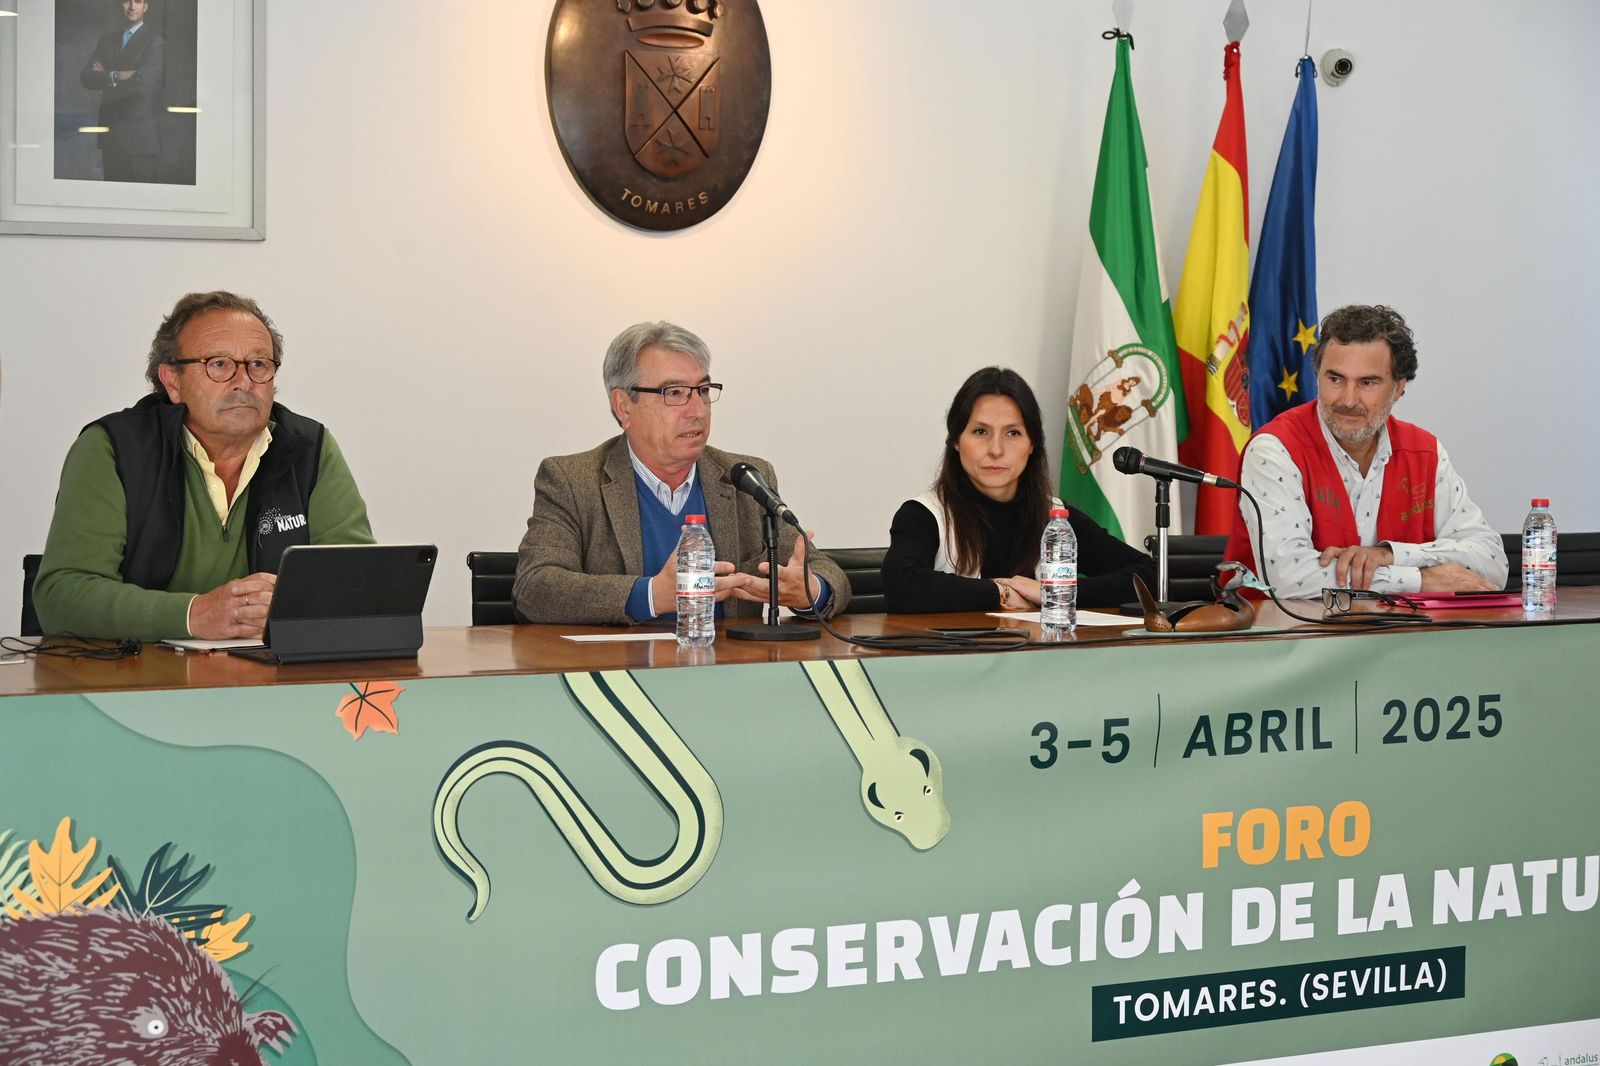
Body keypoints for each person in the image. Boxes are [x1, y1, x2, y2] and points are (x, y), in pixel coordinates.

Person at [34, 292, 373, 640]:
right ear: (172, 381)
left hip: (273, 668)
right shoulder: (113, 449)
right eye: (219, 364)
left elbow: (362, 583)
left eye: (258, 364)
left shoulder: (311, 449)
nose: (244, 382)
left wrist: (290, 610)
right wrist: (194, 615)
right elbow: (61, 596)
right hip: (140, 669)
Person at [514, 321, 850, 625]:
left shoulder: (744, 479)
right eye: (674, 393)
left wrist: (810, 592)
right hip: (619, 667)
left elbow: (827, 575)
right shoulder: (572, 481)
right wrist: (651, 596)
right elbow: (535, 588)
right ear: (623, 406)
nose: (697, 410)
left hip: (729, 667)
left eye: (703, 391)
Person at [1225, 304, 1507, 598]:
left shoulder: (1425, 453)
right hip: (1278, 627)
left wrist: (1389, 554)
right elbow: (1288, 578)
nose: (1348, 400)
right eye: (1335, 379)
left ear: (1399, 388)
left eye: (1367, 383)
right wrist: (1420, 579)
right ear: (1318, 376)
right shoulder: (1274, 450)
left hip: (1398, 627)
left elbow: (1493, 563)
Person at [882, 367, 1154, 613]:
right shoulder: (924, 515)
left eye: (1012, 433)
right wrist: (1000, 593)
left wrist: (1055, 593)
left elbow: (1152, 576)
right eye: (980, 432)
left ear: (1032, 444)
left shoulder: (1056, 518)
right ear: (955, 441)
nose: (996, 450)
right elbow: (901, 586)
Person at [79, 0, 165, 183]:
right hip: (110, 132)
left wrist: (105, 76)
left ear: (146, 7)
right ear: (120, 5)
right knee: (112, 194)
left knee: (142, 195)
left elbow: (142, 84)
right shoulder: (107, 40)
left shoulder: (154, 41)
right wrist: (117, 75)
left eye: (138, 1)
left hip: (140, 137)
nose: (132, 7)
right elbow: (87, 77)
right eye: (127, 1)